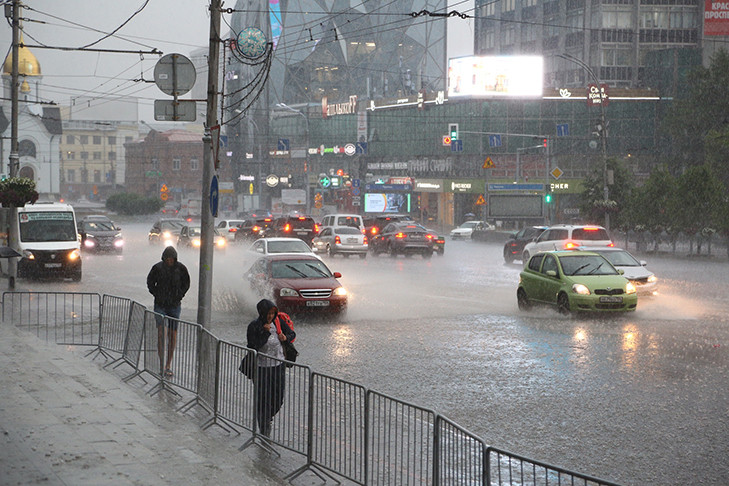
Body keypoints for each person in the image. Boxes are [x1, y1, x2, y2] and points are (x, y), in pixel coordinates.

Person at [247, 299, 295, 436]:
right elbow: (253, 345)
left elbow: (292, 334)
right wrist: (265, 332)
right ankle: (263, 427)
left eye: (273, 313)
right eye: (268, 314)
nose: (270, 316)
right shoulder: (254, 326)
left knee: (278, 398)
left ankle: (268, 417)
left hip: (278, 366)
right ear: (261, 313)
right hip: (261, 368)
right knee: (263, 399)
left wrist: (285, 337)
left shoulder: (278, 322)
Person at [146, 246, 190, 378]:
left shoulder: (181, 269)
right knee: (161, 332)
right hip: (160, 305)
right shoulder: (157, 268)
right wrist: (157, 294)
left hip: (174, 305)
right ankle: (161, 363)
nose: (169, 261)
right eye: (167, 259)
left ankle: (168, 365)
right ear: (163, 259)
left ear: (175, 259)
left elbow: (186, 283)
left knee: (172, 334)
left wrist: (179, 295)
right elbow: (150, 282)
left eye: (171, 259)